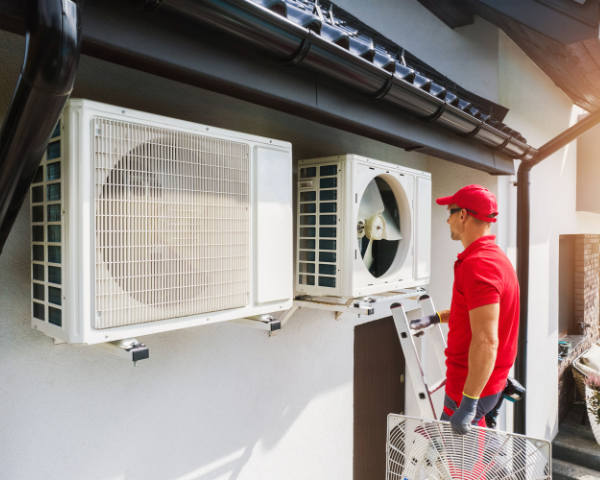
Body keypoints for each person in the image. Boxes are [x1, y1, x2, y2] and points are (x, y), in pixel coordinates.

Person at [410, 185, 520, 435]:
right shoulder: (492, 258)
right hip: (484, 384)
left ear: (463, 215)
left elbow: (487, 340)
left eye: (449, 212)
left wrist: (469, 403)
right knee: (468, 456)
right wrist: (435, 317)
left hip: (469, 388)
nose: (447, 219)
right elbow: (475, 315)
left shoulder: (479, 266)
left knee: (461, 469)